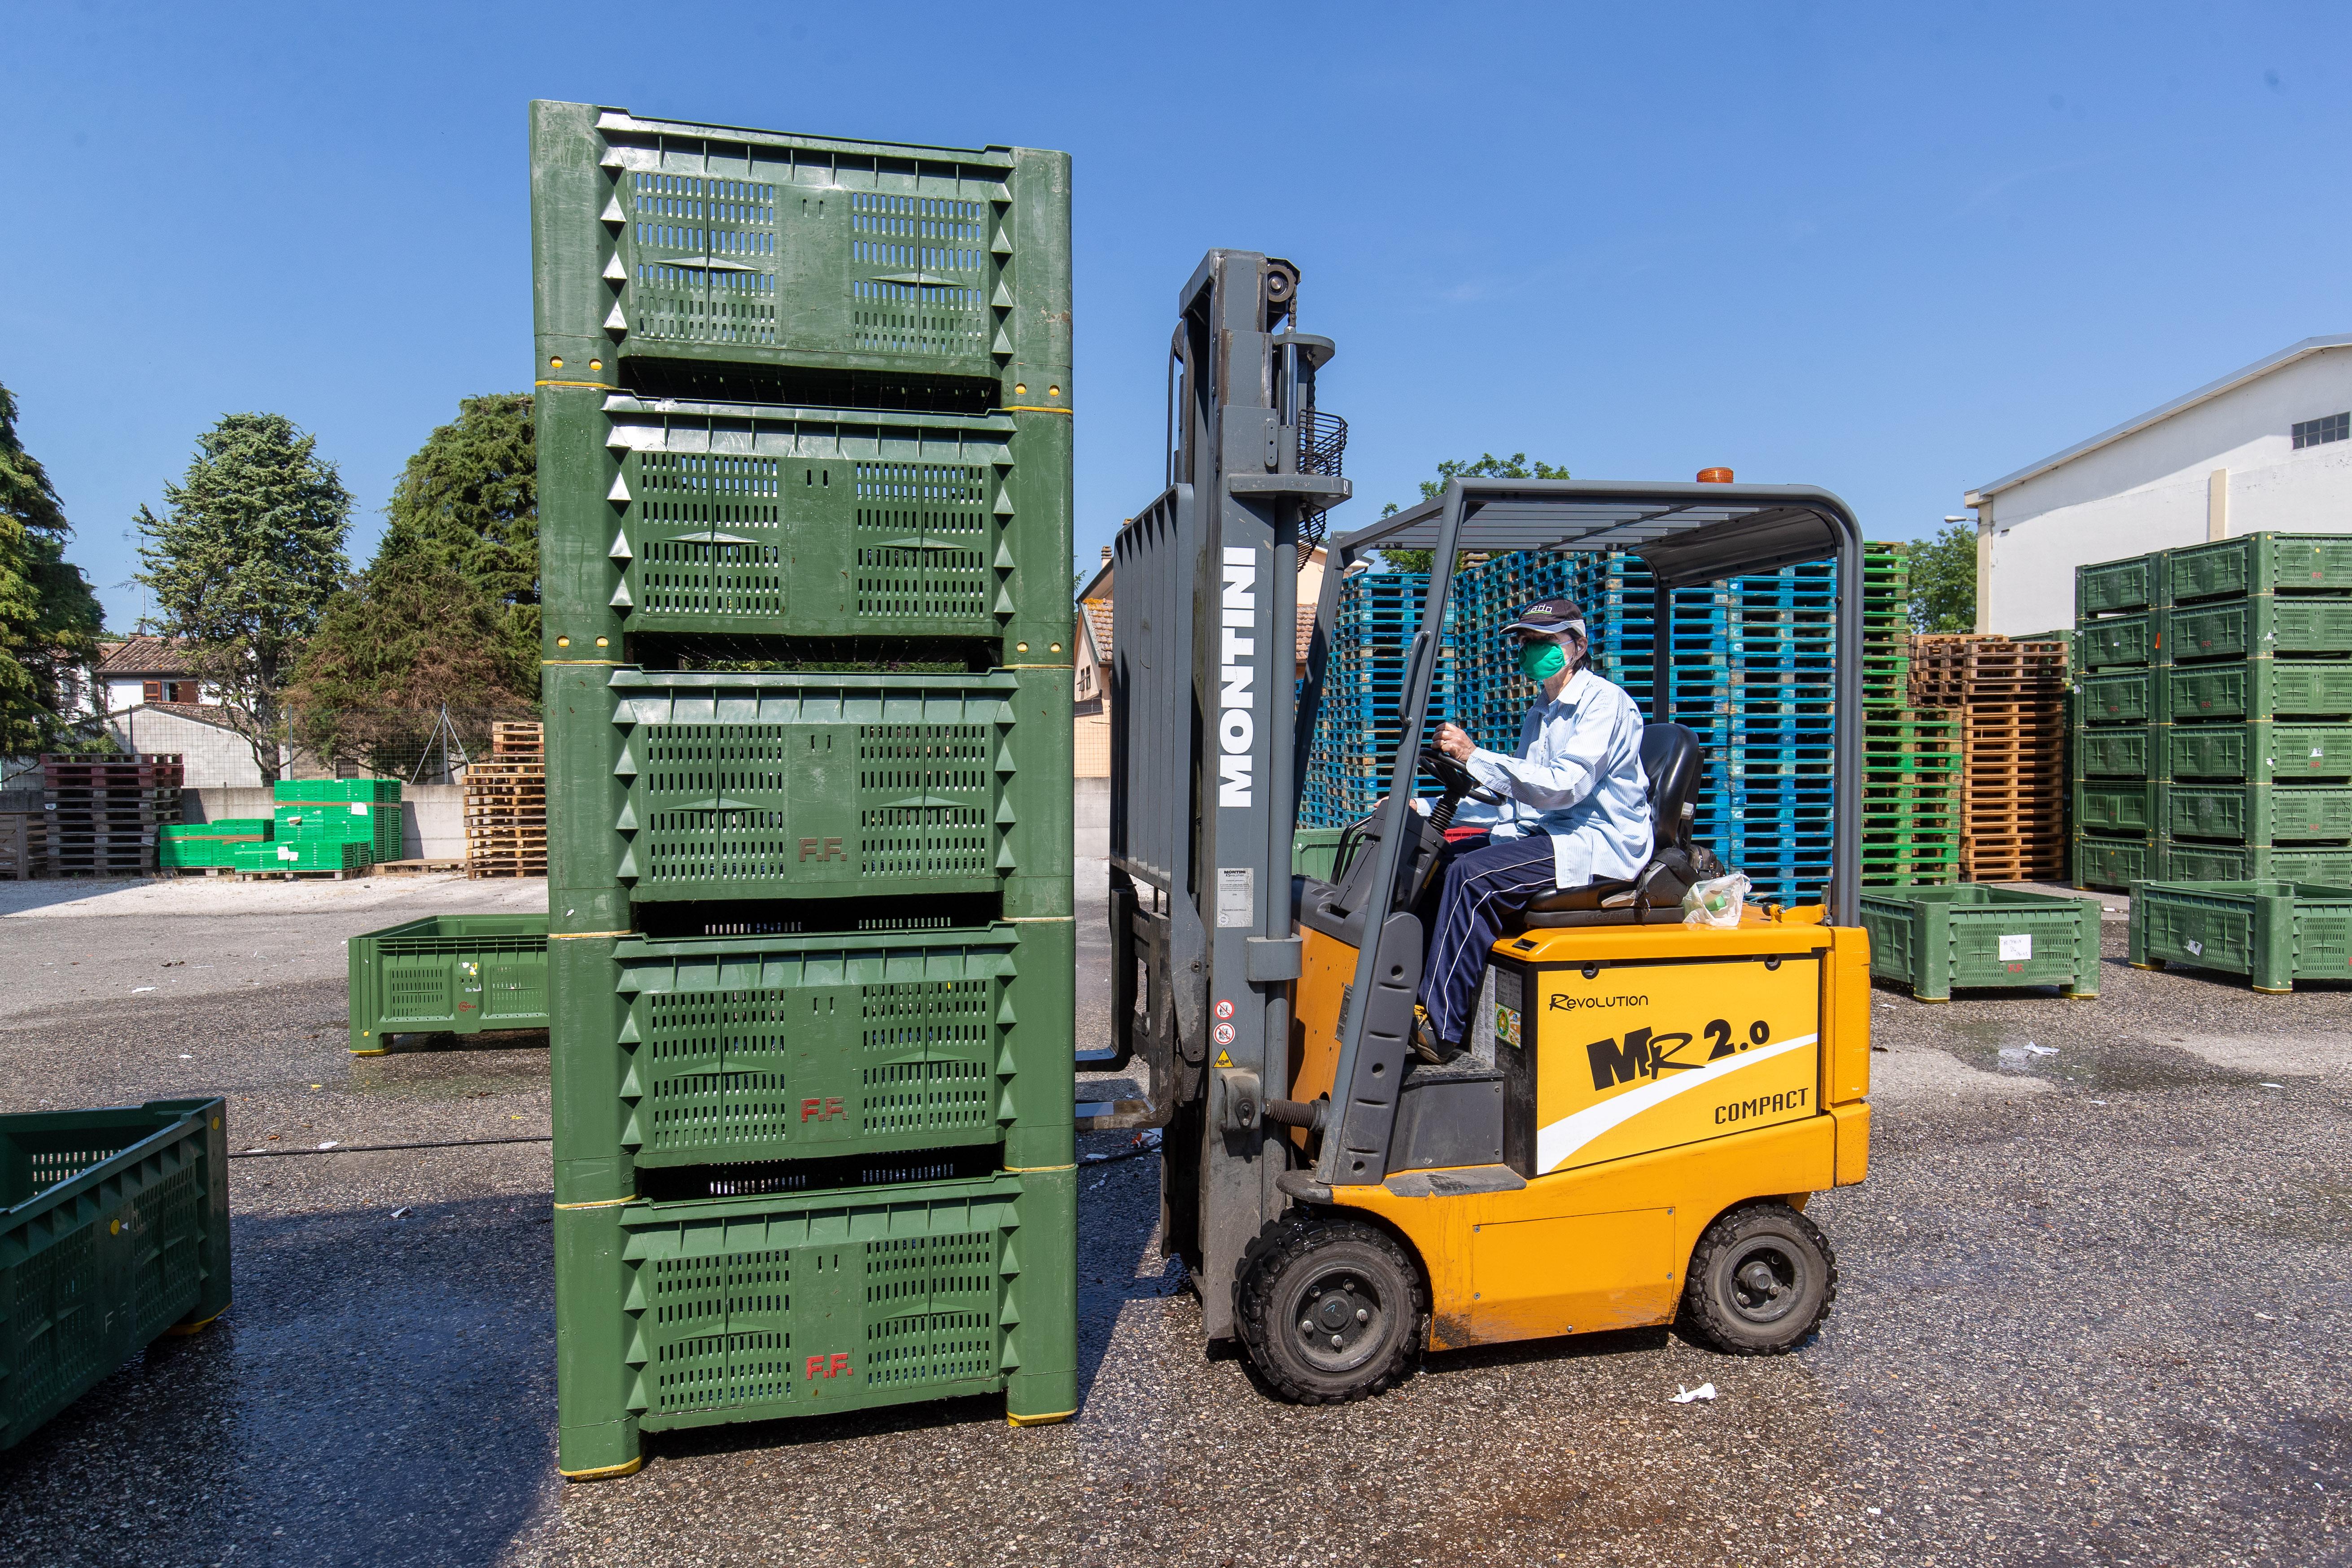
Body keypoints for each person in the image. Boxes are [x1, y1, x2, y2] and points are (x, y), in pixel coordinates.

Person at [1412, 599, 1654, 1061]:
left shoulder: (1605, 703)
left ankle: (1439, 1029)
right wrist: (1422, 807)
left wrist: (1475, 756)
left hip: (1595, 841)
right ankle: (1407, 994)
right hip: (1549, 830)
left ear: (1578, 645)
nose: (1530, 650)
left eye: (1544, 641)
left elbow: (1564, 786)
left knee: (1472, 877)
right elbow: (1520, 799)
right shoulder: (1541, 711)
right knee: (1436, 863)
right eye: (1526, 642)